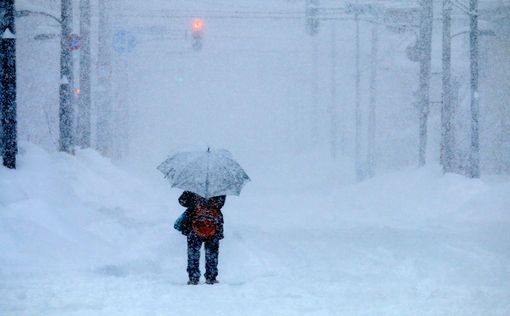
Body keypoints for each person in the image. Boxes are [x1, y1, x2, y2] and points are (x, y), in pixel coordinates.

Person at [175, 191, 226, 285]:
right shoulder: (218, 188)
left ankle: (193, 277)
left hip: (194, 225)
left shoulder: (193, 187)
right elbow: (220, 204)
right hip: (213, 225)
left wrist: (195, 202)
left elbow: (182, 201)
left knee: (193, 253)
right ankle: (211, 277)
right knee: (212, 253)